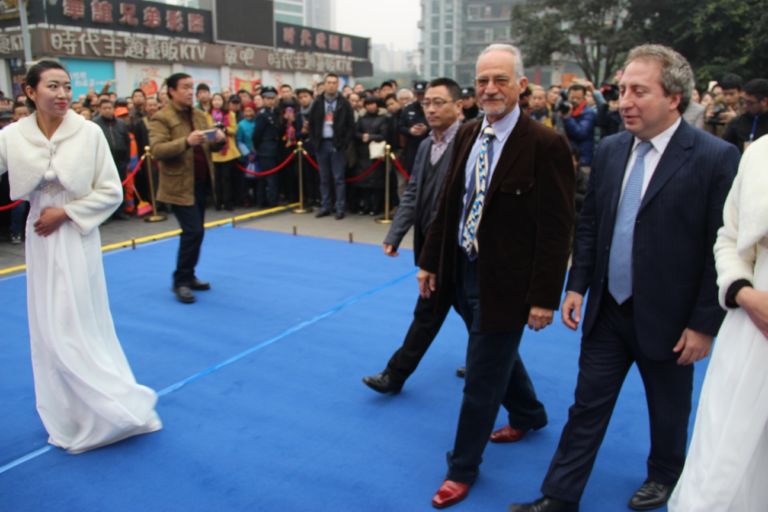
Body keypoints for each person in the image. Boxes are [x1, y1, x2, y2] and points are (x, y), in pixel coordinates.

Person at [509, 44, 740, 512]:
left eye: (640, 91)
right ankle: (559, 495)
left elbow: (723, 246)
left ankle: (664, 475)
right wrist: (576, 286)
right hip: (608, 311)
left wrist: (703, 323)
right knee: (586, 405)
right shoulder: (613, 149)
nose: (625, 102)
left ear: (674, 97)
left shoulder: (714, 157)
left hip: (673, 319)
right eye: (622, 91)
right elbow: (592, 224)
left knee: (669, 408)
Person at [417, 44, 575, 509]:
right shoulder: (468, 133)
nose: (490, 89)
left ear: (521, 85)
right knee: (495, 351)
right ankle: (528, 412)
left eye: (501, 80)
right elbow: (450, 203)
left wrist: (544, 296)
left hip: (509, 282)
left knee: (481, 376)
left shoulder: (546, 144)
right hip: (462, 269)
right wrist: (430, 260)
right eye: (483, 81)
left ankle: (461, 468)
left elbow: (556, 228)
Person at [0, 60, 161, 453]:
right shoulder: (12, 136)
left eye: (67, 87)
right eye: (53, 86)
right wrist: (46, 213)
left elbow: (111, 192)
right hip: (39, 237)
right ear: (30, 91)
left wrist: (67, 213)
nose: (62, 94)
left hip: (75, 234)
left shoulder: (88, 134)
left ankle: (109, 407)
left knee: (77, 320)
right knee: (46, 324)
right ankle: (68, 413)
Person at [668, 135, 768, 511]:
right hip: (754, 321)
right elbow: (729, 236)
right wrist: (742, 291)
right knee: (730, 446)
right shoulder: (760, 153)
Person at [362, 77, 464, 393]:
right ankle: (395, 375)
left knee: (475, 320)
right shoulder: (424, 146)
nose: (430, 109)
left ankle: (526, 408)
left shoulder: (472, 144)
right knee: (432, 314)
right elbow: (414, 192)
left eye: (438, 102)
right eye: (426, 103)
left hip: (460, 250)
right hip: (430, 248)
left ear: (459, 106)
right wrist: (396, 233)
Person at [149, 73, 225, 304]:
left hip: (201, 182)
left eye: (192, 87)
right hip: (179, 185)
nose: (189, 91)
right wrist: (186, 142)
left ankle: (189, 275)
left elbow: (209, 146)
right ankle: (181, 280)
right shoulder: (162, 118)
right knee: (193, 231)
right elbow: (157, 149)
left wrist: (218, 139)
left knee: (197, 231)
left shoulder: (201, 115)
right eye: (185, 87)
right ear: (171, 90)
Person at [307, 73, 355, 219]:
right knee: (324, 177)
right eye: (329, 82)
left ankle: (340, 207)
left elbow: (350, 125)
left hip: (337, 144)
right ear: (325, 84)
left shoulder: (344, 103)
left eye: (334, 82)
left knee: (339, 178)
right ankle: (326, 206)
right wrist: (315, 141)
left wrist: (343, 143)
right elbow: (312, 123)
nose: (331, 85)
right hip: (322, 143)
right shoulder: (317, 102)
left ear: (338, 85)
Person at [722, 78, 768, 153]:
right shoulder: (737, 123)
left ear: (764, 101)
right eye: (744, 101)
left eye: (750, 103)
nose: (745, 106)